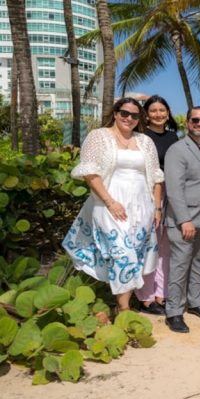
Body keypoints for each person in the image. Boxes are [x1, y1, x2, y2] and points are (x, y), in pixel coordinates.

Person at [63, 97, 163, 313]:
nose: (129, 118)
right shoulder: (98, 137)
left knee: (133, 255)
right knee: (122, 253)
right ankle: (124, 309)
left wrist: (156, 209)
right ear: (115, 113)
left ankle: (122, 307)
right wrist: (110, 202)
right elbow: (90, 173)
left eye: (135, 115)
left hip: (141, 206)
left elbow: (156, 178)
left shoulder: (145, 141)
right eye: (124, 113)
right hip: (109, 203)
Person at [164, 107, 200, 333]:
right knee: (180, 265)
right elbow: (174, 189)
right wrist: (184, 219)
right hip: (184, 220)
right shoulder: (177, 150)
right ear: (187, 123)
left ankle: (195, 302)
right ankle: (174, 312)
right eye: (195, 120)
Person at [134, 95, 178, 315]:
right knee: (149, 246)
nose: (158, 114)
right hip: (150, 195)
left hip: (172, 196)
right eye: (153, 110)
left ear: (168, 113)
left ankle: (162, 293)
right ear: (146, 114)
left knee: (166, 248)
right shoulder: (141, 138)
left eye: (162, 110)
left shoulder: (173, 138)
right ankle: (145, 297)